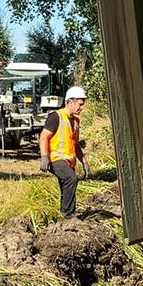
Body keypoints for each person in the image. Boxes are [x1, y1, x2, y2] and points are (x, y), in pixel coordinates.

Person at [39, 86, 89, 219]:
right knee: (71, 178)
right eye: (80, 104)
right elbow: (44, 136)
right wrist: (44, 157)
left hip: (69, 161)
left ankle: (63, 215)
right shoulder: (56, 116)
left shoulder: (76, 121)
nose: (82, 107)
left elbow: (75, 144)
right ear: (71, 101)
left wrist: (84, 162)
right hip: (55, 158)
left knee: (65, 186)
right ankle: (68, 215)